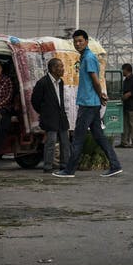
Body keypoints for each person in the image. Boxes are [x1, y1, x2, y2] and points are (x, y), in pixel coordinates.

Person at [54, 30, 123, 178]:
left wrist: (100, 95)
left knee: (78, 138)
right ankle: (115, 165)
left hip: (89, 104)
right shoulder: (85, 57)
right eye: (75, 41)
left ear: (86, 41)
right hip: (90, 103)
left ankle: (69, 170)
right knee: (99, 136)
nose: (77, 44)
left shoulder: (89, 58)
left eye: (80, 41)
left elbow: (95, 80)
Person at [30, 58, 70, 173]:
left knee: (65, 142)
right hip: (49, 117)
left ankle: (65, 165)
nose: (63, 69)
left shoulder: (61, 82)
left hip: (61, 116)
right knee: (51, 141)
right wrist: (44, 112)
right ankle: (48, 166)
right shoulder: (43, 82)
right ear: (53, 68)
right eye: (60, 67)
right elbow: (35, 101)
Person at [118, 63, 133, 148]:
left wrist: (129, 94)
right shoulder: (125, 81)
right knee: (125, 125)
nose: (122, 71)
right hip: (126, 106)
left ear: (127, 70)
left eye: (123, 70)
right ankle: (124, 142)